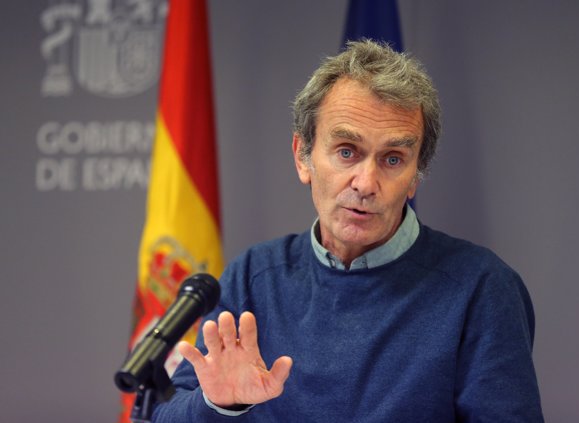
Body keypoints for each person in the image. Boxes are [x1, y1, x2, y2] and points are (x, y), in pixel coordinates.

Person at [152, 40, 544, 422]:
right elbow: (168, 415)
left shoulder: (482, 287)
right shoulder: (255, 275)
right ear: (303, 157)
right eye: (346, 151)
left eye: (393, 159)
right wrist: (219, 405)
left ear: (414, 178)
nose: (366, 182)